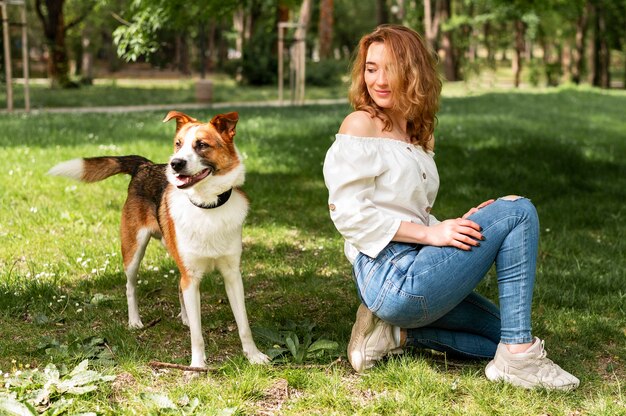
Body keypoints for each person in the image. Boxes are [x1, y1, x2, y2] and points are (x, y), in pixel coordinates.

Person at [322, 24, 579, 390]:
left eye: (390, 67)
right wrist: (431, 233)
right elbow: (348, 215)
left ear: (413, 71)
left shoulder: (418, 132)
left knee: (503, 336)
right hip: (389, 275)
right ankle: (521, 362)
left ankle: (399, 337)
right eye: (371, 67)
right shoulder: (361, 125)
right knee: (518, 211)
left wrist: (453, 225)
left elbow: (409, 210)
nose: (378, 79)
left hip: (418, 265)